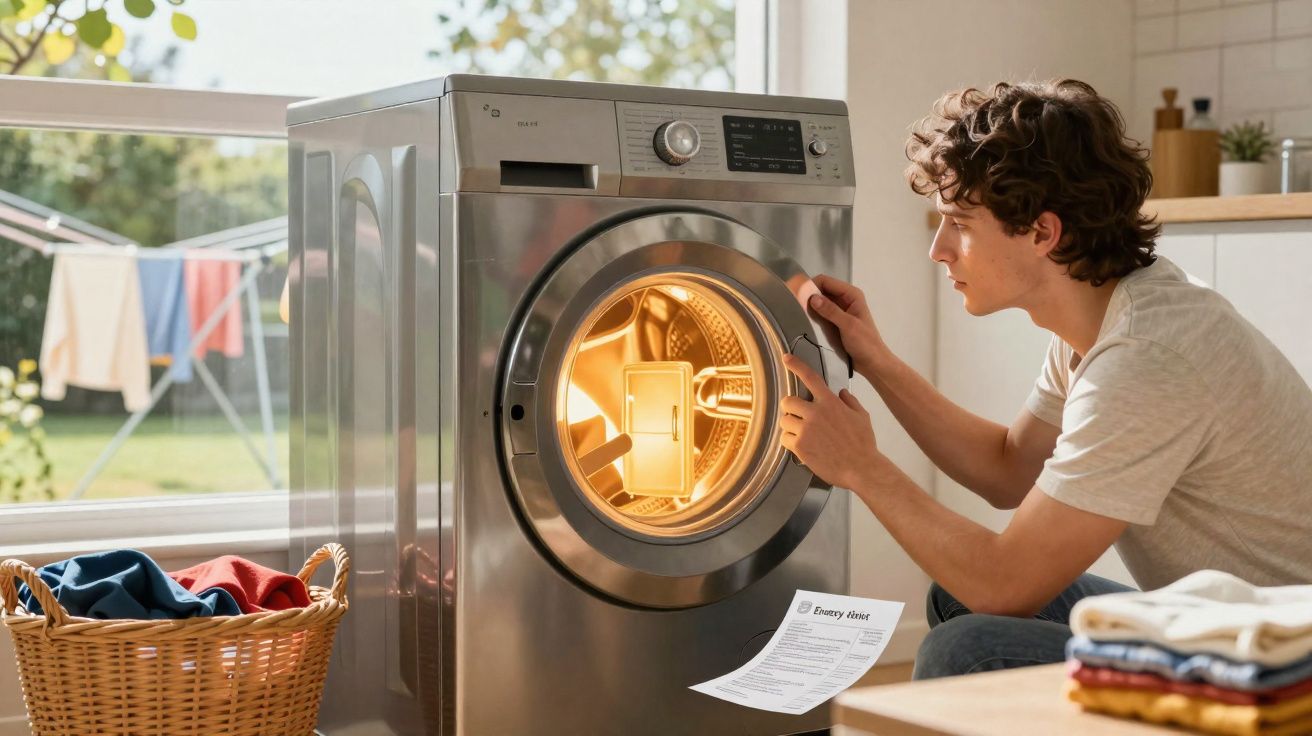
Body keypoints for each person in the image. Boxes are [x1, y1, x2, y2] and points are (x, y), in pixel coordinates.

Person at [781, 79, 1312, 680]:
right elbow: (1010, 469)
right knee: (954, 596)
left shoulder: (1146, 357)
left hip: (1285, 661)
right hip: (1232, 625)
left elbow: (1006, 585)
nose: (937, 250)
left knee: (968, 645)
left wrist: (861, 468)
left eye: (958, 223)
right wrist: (875, 359)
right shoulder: (1109, 312)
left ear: (1042, 232)